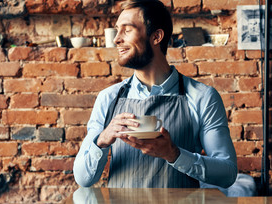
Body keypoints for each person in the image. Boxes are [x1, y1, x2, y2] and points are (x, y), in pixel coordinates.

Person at [73, 0, 238, 189]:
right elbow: (83, 179)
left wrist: (174, 154)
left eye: (127, 30)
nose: (116, 39)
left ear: (156, 37)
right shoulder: (108, 98)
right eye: (117, 30)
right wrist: (102, 140)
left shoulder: (202, 97)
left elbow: (228, 173)